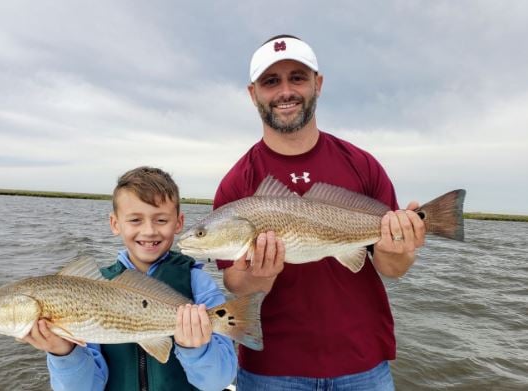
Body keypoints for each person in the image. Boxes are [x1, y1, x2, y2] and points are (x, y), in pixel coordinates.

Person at [214, 35, 426, 390]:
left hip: (363, 363)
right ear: (253, 94)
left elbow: (392, 268)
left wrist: (399, 250)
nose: (285, 91)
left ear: (318, 84)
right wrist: (260, 276)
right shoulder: (237, 183)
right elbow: (234, 282)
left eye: (297, 77)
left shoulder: (362, 165)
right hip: (271, 369)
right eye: (271, 81)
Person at [22, 166, 237, 390]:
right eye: (135, 220)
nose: (149, 231)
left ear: (179, 223)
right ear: (115, 223)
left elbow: (219, 382)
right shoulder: (92, 289)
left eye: (161, 220)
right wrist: (63, 352)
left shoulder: (197, 282)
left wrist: (197, 349)